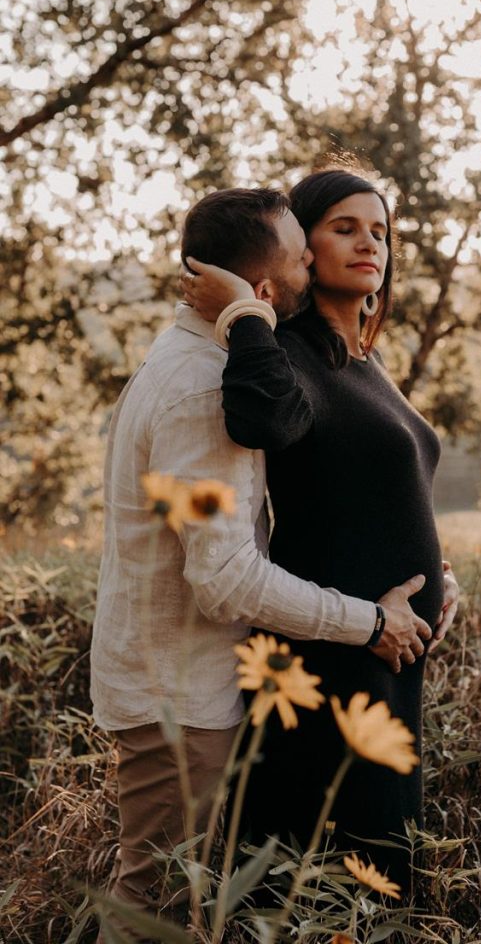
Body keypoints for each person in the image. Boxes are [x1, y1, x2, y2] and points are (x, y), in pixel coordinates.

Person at [90, 187, 433, 933]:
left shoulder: (203, 363)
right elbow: (223, 578)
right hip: (177, 690)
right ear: (269, 285)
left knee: (169, 896)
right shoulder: (202, 388)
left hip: (193, 686)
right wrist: (369, 621)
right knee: (148, 905)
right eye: (312, 245)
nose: (323, 256)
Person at [180, 169, 459, 891]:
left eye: (380, 231)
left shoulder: (364, 358)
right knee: (326, 880)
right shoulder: (287, 352)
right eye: (344, 228)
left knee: (377, 872)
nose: (369, 243)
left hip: (388, 656)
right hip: (331, 651)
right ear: (302, 247)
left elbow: (379, 484)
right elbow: (263, 419)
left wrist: (440, 569)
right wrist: (245, 312)